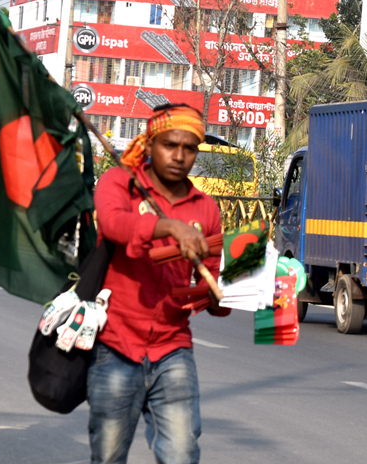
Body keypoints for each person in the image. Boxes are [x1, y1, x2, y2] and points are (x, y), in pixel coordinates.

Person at [89, 105, 225, 464]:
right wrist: (168, 227)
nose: (180, 156)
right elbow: (115, 225)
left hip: (173, 347)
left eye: (190, 148)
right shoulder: (120, 183)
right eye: (170, 145)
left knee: (182, 453)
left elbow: (211, 286)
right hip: (116, 344)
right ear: (150, 144)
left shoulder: (206, 208)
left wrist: (224, 295)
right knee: (108, 456)